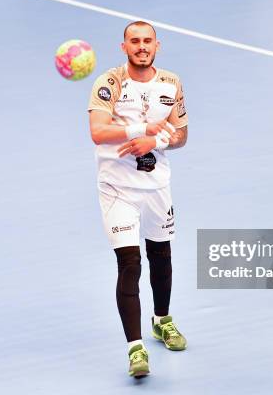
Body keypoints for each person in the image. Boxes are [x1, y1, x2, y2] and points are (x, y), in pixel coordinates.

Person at [87, 21, 189, 378]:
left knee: (161, 256)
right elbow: (98, 133)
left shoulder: (171, 83)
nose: (141, 46)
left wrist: (156, 141)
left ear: (157, 46)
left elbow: (182, 135)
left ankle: (162, 321)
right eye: (135, 41)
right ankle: (136, 349)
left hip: (157, 186)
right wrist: (138, 130)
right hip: (117, 188)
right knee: (130, 264)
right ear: (124, 46)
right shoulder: (110, 83)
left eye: (147, 41)